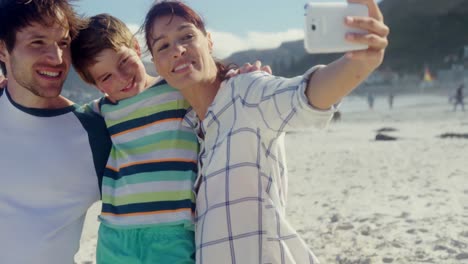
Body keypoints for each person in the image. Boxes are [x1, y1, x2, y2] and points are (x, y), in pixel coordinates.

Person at [143, 0, 389, 263]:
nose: (177, 50)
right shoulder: (191, 130)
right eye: (163, 46)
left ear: (209, 41)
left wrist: (359, 64)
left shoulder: (247, 92)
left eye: (187, 36)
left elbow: (304, 96)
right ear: (157, 65)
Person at [71, 14, 199, 264]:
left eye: (124, 61)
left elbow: (216, 84)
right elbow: (61, 115)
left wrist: (249, 72)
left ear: (137, 48)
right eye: (106, 77)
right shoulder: (102, 109)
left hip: (172, 230)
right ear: (97, 85)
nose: (122, 77)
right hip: (116, 233)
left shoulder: (177, 89)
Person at [0, 1, 112, 263]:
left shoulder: (95, 134)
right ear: (3, 49)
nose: (57, 58)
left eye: (63, 44)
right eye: (37, 42)